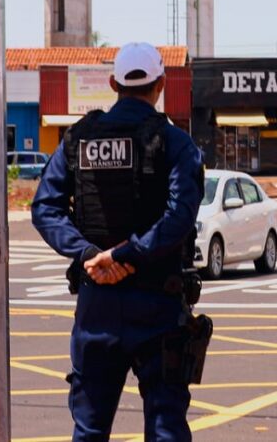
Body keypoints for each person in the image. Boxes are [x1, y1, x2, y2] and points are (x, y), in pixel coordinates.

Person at [32, 42, 206, 442]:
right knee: (165, 431)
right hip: (158, 305)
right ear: (160, 84)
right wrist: (127, 254)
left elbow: (45, 208)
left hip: (97, 305)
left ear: (113, 83)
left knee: (89, 431)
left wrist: (90, 255)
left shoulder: (77, 139)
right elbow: (179, 216)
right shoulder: (176, 142)